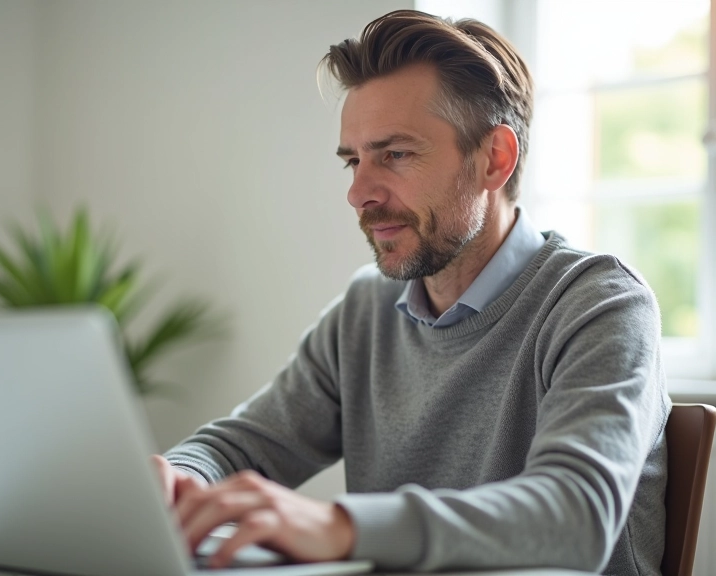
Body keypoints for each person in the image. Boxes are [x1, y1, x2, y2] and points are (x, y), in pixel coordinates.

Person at [152, 9, 670, 576]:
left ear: (494, 159)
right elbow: (241, 448)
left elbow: (575, 517)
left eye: (395, 154)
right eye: (354, 161)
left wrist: (341, 527)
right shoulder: (365, 312)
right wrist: (176, 479)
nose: (359, 193)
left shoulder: (599, 304)